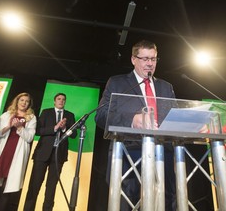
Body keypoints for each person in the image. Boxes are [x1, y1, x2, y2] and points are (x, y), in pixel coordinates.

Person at [95, 40, 176, 210]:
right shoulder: (117, 83)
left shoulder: (166, 87)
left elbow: (174, 119)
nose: (150, 64)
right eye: (145, 58)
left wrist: (190, 124)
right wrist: (132, 120)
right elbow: (101, 116)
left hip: (164, 156)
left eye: (153, 59)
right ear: (133, 59)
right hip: (127, 155)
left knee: (165, 203)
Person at [23, 93, 77, 211]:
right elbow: (38, 131)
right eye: (58, 99)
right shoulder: (46, 112)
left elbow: (74, 135)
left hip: (59, 155)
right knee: (34, 185)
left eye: (63, 99)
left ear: (65, 102)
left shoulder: (70, 115)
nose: (61, 101)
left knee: (51, 187)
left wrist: (63, 128)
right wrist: (55, 128)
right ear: (54, 101)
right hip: (42, 154)